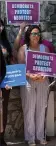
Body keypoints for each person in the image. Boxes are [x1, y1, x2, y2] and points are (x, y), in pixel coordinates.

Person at [17, 25, 49, 146]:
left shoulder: (44, 48)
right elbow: (21, 68)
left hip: (43, 81)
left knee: (41, 109)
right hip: (28, 81)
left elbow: (49, 65)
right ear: (28, 35)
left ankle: (40, 136)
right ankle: (30, 138)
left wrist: (45, 75)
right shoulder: (23, 49)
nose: (36, 36)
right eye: (33, 34)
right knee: (29, 110)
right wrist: (30, 76)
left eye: (38, 34)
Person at [0, 18, 13, 146]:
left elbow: (10, 62)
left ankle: (1, 137)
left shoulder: (4, 42)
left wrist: (11, 79)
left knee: (3, 111)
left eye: (1, 25)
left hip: (5, 83)